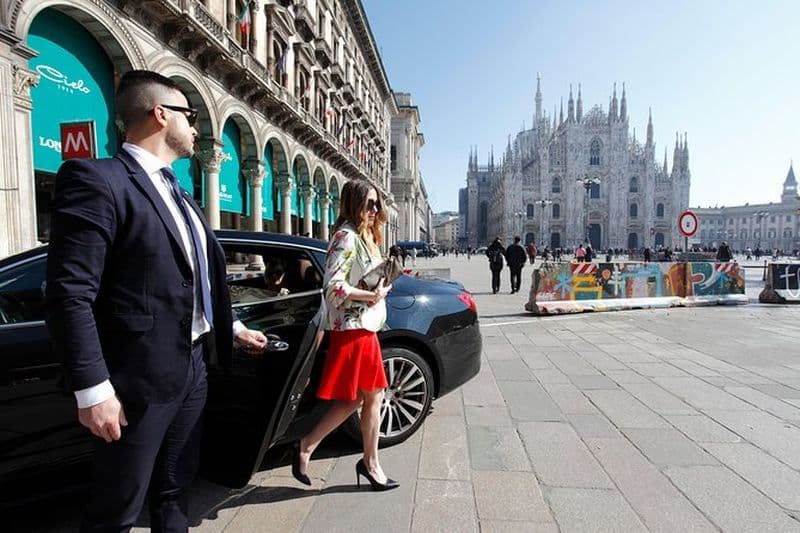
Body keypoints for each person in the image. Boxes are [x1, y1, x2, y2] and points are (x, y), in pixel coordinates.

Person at [45, 71, 269, 532]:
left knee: (175, 488)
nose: (197, 128)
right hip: (135, 382)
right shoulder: (97, 179)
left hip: (193, 368)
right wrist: (94, 390)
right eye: (191, 116)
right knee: (116, 510)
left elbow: (192, 278)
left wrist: (230, 327)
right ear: (160, 114)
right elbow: (70, 294)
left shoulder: (179, 192)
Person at [293, 179, 397, 491]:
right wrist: (371, 296)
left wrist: (381, 286)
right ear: (354, 204)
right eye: (369, 203)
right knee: (374, 395)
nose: (375, 209)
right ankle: (370, 463)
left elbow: (360, 280)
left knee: (356, 398)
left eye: (377, 204)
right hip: (353, 329)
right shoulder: (346, 236)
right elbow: (333, 288)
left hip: (363, 326)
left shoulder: (365, 237)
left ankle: (307, 446)